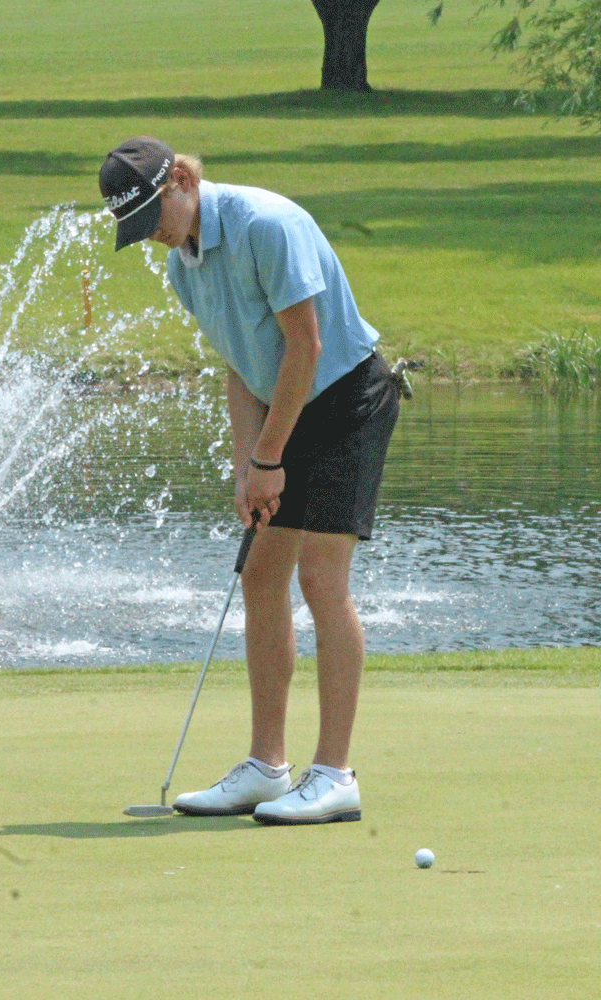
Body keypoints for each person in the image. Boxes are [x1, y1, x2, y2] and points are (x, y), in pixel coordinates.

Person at [99, 136, 404, 825]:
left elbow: (307, 346)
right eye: (138, 229)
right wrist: (248, 466)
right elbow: (243, 364)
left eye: (154, 216)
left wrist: (270, 459)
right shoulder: (185, 266)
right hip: (287, 407)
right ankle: (268, 766)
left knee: (321, 579)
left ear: (181, 177)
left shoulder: (266, 225)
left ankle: (335, 775)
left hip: (348, 398)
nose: (152, 237)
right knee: (261, 574)